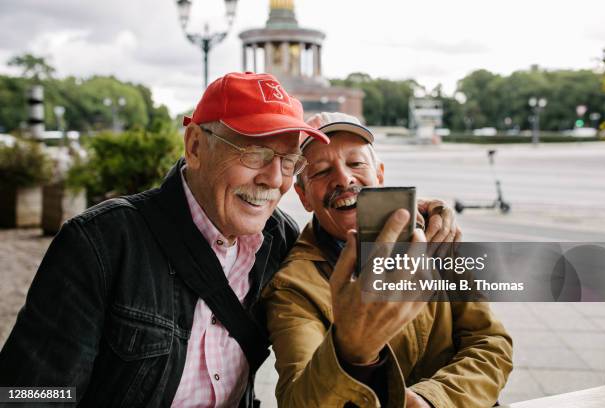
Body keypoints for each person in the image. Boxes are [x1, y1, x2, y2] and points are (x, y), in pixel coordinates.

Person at [0, 72, 330, 407]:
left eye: (288, 161)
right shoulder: (101, 244)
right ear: (196, 146)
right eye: (255, 153)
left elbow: (351, 283)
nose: (274, 179)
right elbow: (24, 394)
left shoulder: (280, 240)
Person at [261, 112, 513, 408]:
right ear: (303, 196)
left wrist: (432, 399)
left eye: (356, 163)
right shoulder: (293, 286)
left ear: (379, 174)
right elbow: (299, 399)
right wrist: (350, 350)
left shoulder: (433, 237)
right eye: (321, 171)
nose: (344, 178)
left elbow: (490, 343)